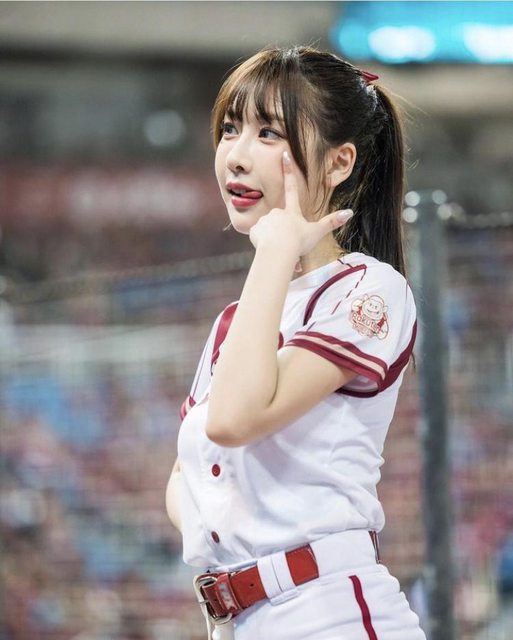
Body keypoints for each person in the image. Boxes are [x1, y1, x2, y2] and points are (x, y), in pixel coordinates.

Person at [166, 45, 426, 640]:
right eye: (229, 129)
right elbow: (186, 474)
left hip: (330, 613)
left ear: (338, 163)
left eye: (268, 133)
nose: (236, 155)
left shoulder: (369, 288)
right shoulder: (237, 318)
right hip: (242, 619)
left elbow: (233, 421)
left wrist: (278, 248)